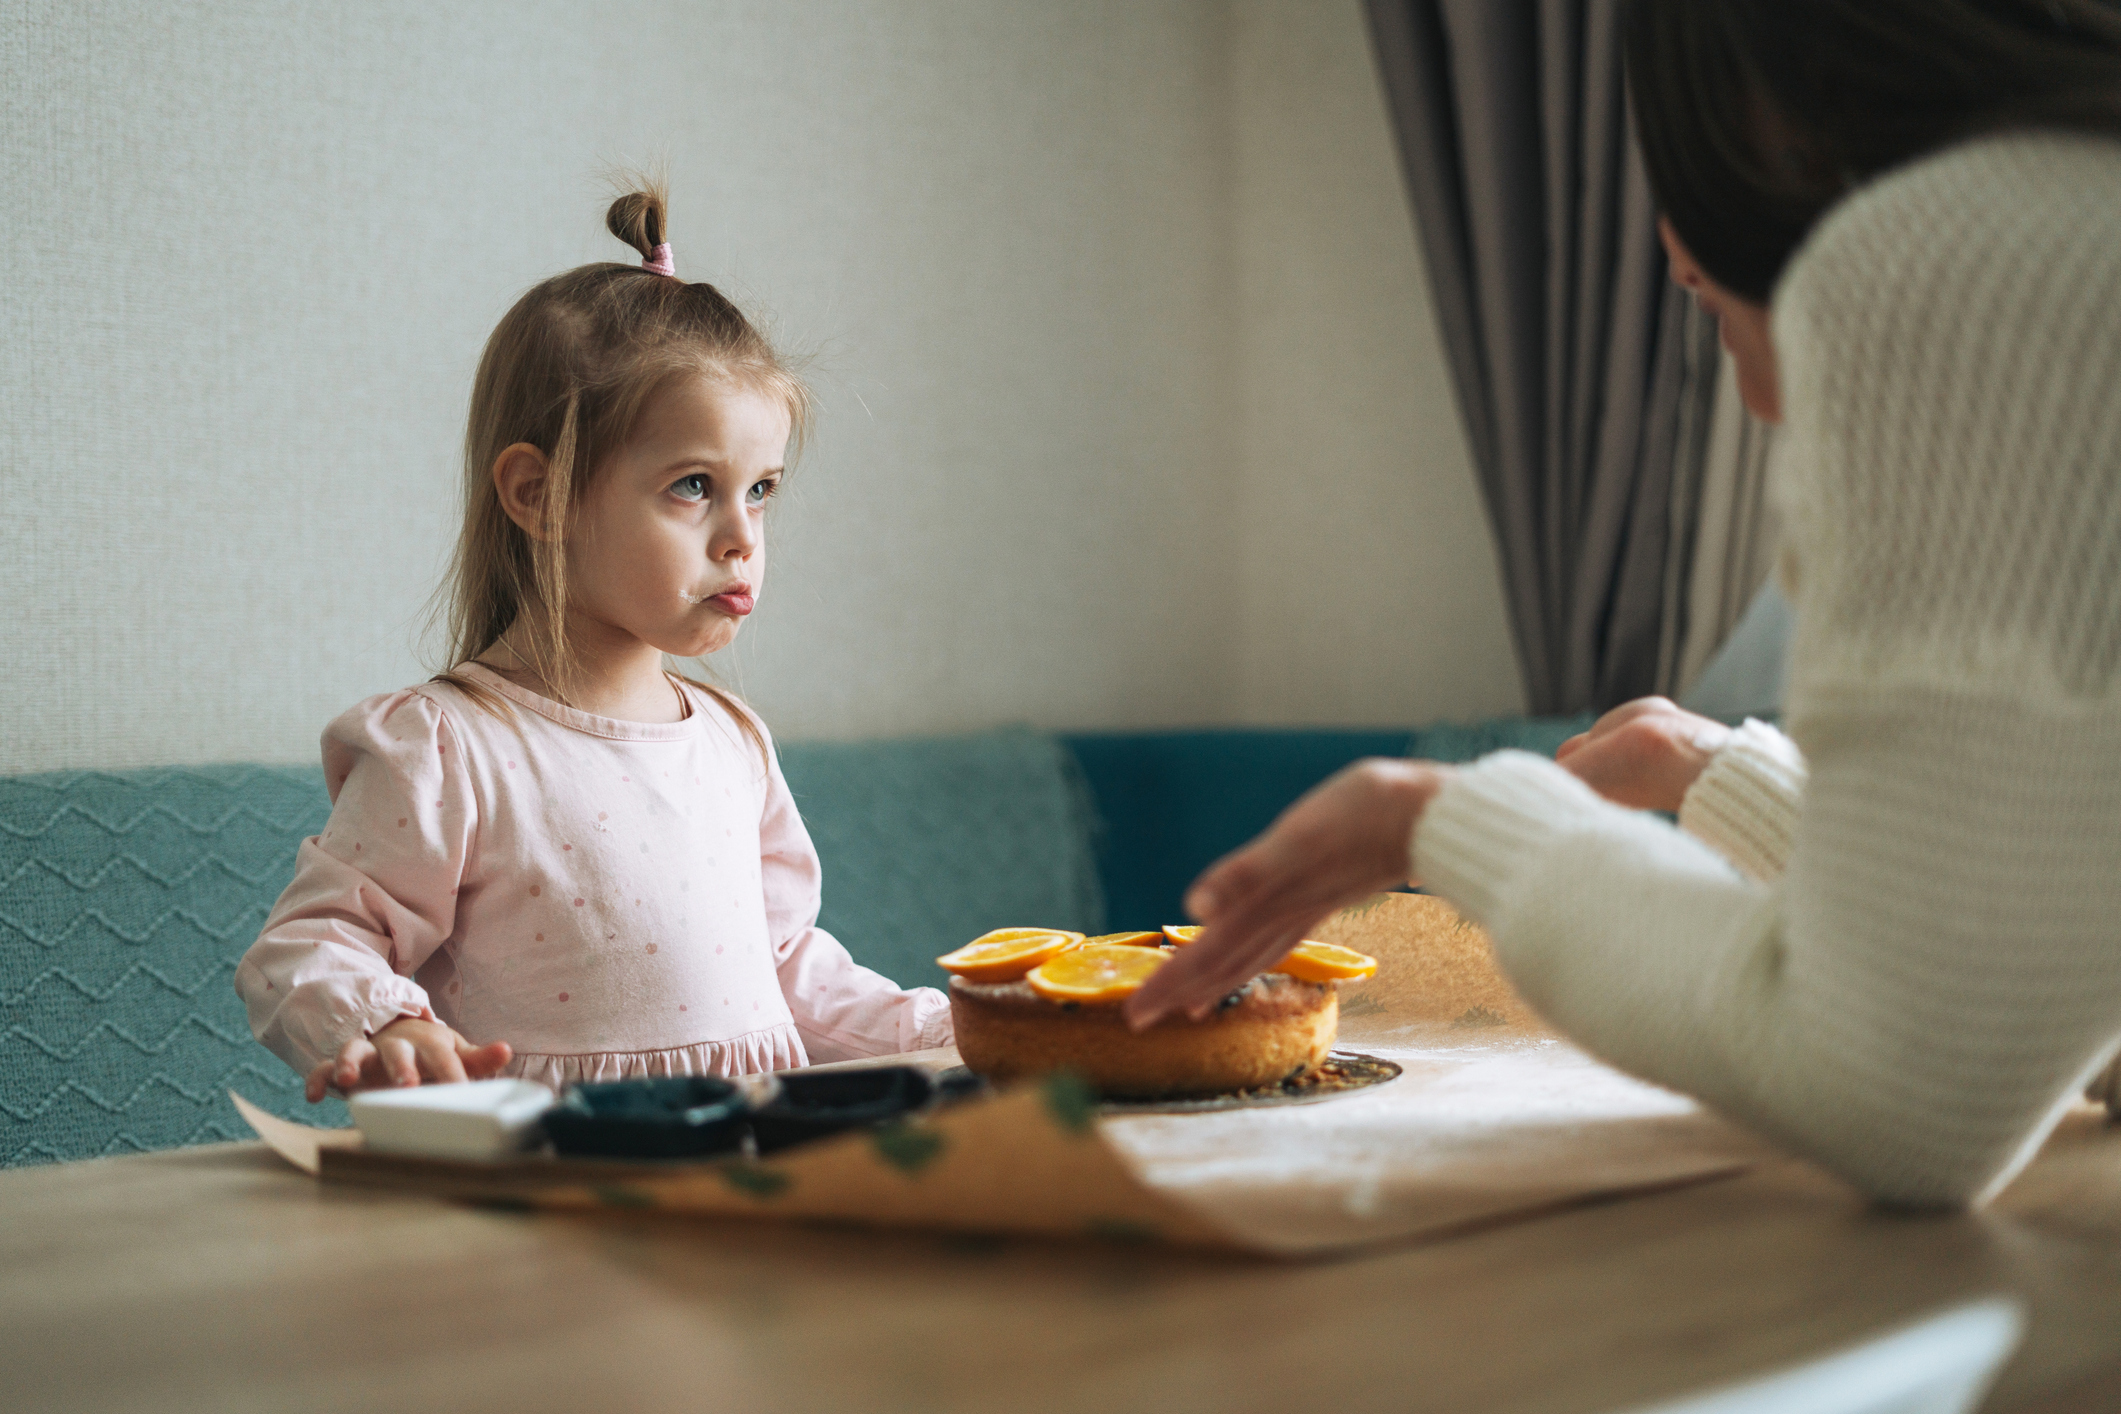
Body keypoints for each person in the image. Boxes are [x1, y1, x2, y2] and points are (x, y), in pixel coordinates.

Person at [1128, 0, 2121, 1207]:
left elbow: (1903, 1093)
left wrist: (1447, 819)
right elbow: (2055, 973)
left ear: (1766, 120)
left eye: (1710, 305)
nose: (1764, 405)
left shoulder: (1947, 257)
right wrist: (1723, 775)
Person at [238, 186, 951, 1101]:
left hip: (740, 1179)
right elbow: (304, 948)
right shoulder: (452, 748)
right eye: (694, 485)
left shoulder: (732, 742)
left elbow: (786, 969)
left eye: (762, 489)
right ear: (537, 494)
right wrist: (389, 1024)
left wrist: (953, 1029)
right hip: (550, 1190)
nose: (742, 536)